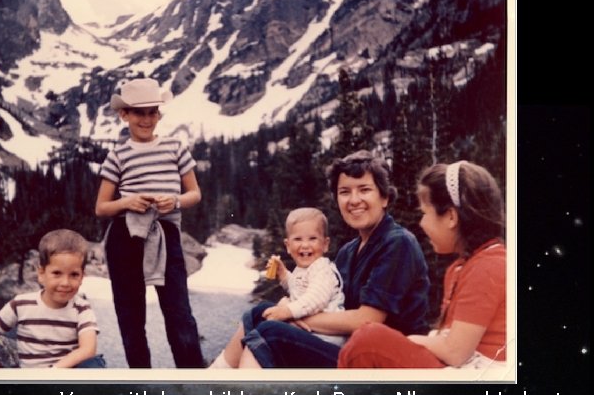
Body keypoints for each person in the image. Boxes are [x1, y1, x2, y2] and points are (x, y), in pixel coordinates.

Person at [216, 150, 431, 368]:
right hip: (352, 349)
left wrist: (291, 316)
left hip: (387, 362)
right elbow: (323, 299)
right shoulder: (348, 251)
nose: (354, 200)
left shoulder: (397, 243)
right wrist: (287, 307)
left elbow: (368, 319)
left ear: (384, 197)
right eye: (344, 192)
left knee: (271, 332)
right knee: (258, 313)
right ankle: (213, 379)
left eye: (365, 190)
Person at [338, 160, 506, 369]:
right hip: (462, 368)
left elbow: (455, 352)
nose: (421, 223)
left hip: (478, 378)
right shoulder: (461, 268)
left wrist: (409, 340)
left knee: (367, 341)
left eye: (425, 214)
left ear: (451, 217)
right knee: (368, 339)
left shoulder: (488, 267)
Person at [94, 78, 205, 368]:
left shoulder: (175, 147)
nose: (146, 119)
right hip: (125, 236)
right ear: (124, 115)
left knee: (179, 313)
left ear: (159, 114)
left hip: (166, 236)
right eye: (138, 112)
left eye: (152, 112)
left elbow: (195, 193)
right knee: (131, 318)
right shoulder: (117, 155)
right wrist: (127, 202)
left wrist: (175, 201)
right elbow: (102, 207)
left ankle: (193, 380)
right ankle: (141, 383)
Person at [209, 207, 346, 368]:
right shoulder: (304, 269)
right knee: (259, 312)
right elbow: (298, 290)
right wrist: (283, 274)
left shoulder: (322, 269)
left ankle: (232, 377)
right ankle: (220, 369)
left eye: (312, 238)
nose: (305, 245)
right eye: (298, 239)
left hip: (327, 339)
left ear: (325, 244)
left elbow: (315, 298)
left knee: (268, 328)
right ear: (288, 245)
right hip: (313, 333)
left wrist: (286, 311)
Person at [0, 229, 104, 368]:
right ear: (41, 273)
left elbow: (88, 349)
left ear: (82, 277)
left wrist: (54, 371)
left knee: (95, 364)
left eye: (74, 275)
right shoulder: (20, 304)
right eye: (57, 273)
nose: (65, 282)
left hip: (65, 374)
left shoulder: (82, 308)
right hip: (33, 378)